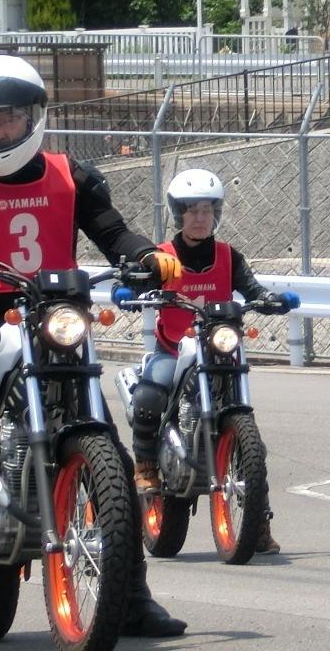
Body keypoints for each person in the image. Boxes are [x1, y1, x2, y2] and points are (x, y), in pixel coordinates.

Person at [0, 54, 186, 637]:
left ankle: (131, 597)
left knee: (111, 454)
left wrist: (147, 254)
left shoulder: (72, 175)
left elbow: (113, 231)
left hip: (58, 319)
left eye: (6, 120)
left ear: (33, 118)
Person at [120, 168, 294, 555]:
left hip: (219, 349)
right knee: (151, 394)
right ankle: (146, 465)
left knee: (255, 448)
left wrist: (270, 299)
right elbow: (141, 281)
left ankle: (257, 526)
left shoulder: (228, 256)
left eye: (206, 209)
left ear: (217, 212)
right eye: (191, 210)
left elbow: (250, 287)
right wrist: (131, 286)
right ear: (177, 213)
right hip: (174, 348)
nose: (199, 217)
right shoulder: (163, 257)